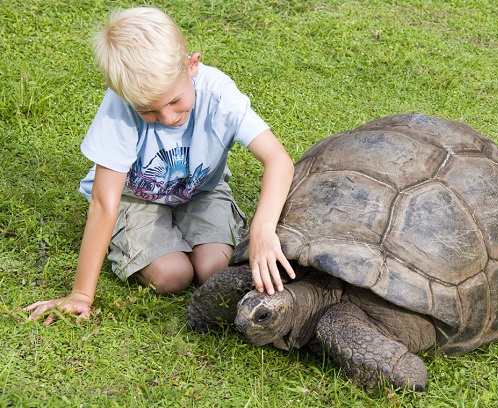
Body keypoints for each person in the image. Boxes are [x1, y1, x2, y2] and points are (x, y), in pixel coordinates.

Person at [24, 7, 295, 324]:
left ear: (191, 65)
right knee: (172, 276)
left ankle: (181, 232)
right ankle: (144, 244)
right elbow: (104, 201)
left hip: (200, 189)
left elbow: (278, 159)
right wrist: (82, 295)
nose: (167, 118)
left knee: (215, 269)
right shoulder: (120, 106)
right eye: (148, 111)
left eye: (174, 101)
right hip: (135, 196)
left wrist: (262, 230)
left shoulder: (219, 95)